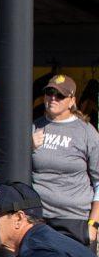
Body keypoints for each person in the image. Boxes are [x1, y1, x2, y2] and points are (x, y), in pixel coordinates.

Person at [31, 74, 99, 247]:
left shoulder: (86, 132)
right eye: (49, 92)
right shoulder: (33, 127)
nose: (53, 98)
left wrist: (93, 224)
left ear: (71, 101)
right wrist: (28, 147)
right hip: (39, 219)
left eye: (60, 95)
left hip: (75, 221)